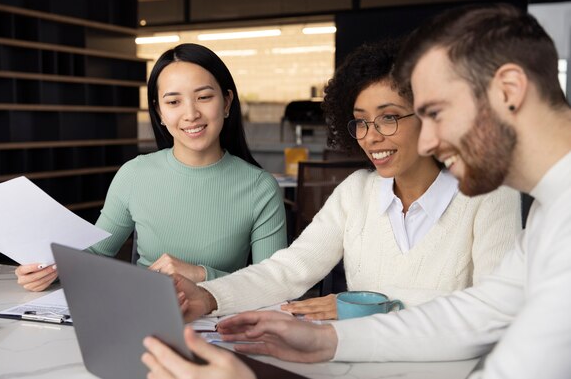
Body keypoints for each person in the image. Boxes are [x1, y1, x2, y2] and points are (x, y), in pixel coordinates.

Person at [143, 4, 571, 379]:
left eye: (436, 113)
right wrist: (328, 341)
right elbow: (485, 310)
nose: (427, 141)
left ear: (509, 91)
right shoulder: (552, 209)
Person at [171, 38, 521, 323]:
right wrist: (209, 296)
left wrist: (366, 306)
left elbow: (498, 304)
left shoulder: (488, 194)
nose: (371, 137)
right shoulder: (356, 191)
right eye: (361, 122)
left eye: (388, 118)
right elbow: (289, 269)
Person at [14, 43, 287, 291]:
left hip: (222, 326)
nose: (191, 114)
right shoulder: (135, 175)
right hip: (142, 318)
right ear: (159, 113)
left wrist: (200, 274)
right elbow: (96, 255)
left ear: (227, 102)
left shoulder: (259, 187)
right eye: (173, 102)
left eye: (203, 97)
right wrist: (52, 269)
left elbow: (273, 284)